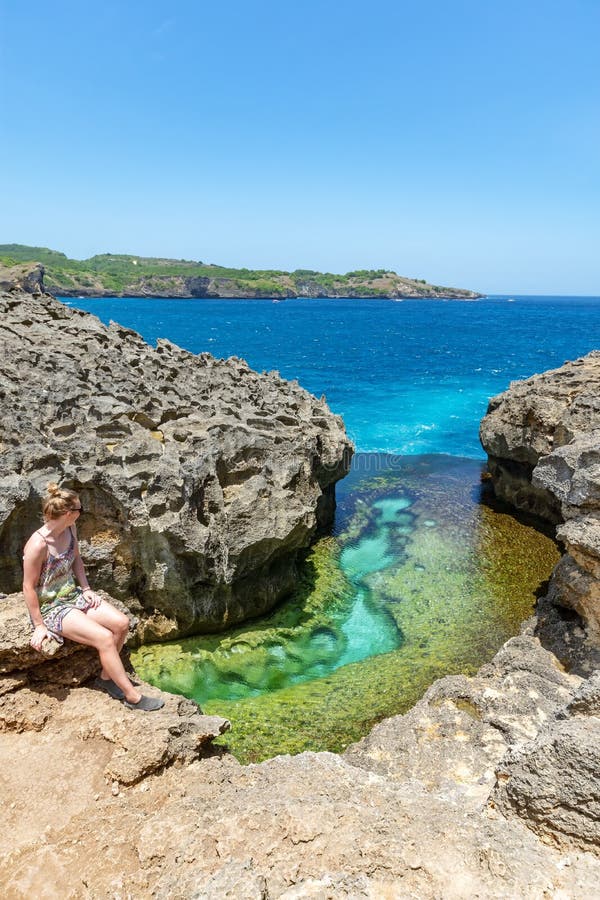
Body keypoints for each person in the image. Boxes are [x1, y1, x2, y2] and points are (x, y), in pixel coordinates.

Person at [22, 483, 164, 712]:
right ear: (69, 514)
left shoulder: (70, 530)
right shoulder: (38, 545)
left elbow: (76, 559)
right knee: (105, 638)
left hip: (73, 595)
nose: (81, 513)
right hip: (52, 606)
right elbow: (28, 587)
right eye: (80, 510)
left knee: (121, 624)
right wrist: (39, 626)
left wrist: (86, 589)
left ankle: (106, 679)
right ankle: (132, 696)